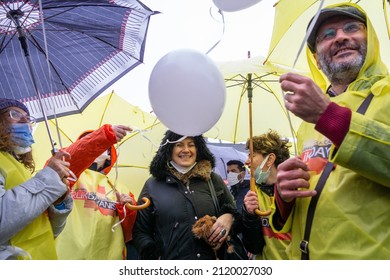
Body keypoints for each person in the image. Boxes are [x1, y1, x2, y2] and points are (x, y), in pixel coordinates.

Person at [272, 3, 390, 259]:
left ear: (372, 40)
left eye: (352, 28)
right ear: (315, 57)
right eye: (327, 35)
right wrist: (283, 197)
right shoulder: (307, 120)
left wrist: (329, 117)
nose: (341, 37)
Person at [132, 130, 239, 260]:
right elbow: (140, 231)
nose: (186, 150)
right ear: (169, 149)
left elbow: (236, 217)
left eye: (191, 144)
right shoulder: (152, 184)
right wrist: (153, 255)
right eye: (179, 144)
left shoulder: (213, 179)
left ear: (198, 148)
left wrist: (229, 217)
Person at [0, 98, 72, 260]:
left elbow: (48, 230)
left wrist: (59, 202)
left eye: (28, 118)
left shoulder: (19, 166)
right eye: (15, 114)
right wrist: (48, 179)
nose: (25, 120)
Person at [54, 124, 139, 260]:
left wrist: (126, 210)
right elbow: (75, 157)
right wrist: (104, 136)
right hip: (66, 255)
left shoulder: (121, 188)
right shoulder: (67, 176)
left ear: (110, 154)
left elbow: (131, 233)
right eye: (89, 140)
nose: (98, 148)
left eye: (104, 146)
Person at [241, 129, 291, 260]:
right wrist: (249, 216)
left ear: (270, 160)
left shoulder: (294, 190)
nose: (246, 162)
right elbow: (254, 247)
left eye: (251, 155)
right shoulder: (252, 194)